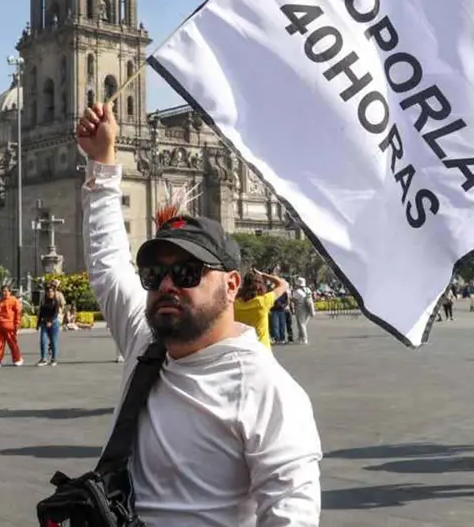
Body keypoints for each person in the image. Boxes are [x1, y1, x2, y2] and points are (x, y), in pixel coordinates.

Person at [76, 102, 321, 524]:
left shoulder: (267, 390)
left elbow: (291, 513)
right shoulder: (145, 343)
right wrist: (102, 160)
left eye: (188, 272)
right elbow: (108, 263)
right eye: (154, 274)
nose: (167, 285)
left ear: (232, 285)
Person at [234, 269, 288, 350]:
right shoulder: (263, 302)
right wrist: (264, 275)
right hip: (262, 348)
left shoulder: (235, 304)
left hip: (242, 347)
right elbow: (283, 284)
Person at [0, 285, 24, 368]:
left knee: (12, 344)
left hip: (10, 326)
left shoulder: (14, 301)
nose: (4, 293)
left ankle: (18, 359)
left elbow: (18, 313)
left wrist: (17, 324)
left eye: (5, 291)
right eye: (2, 291)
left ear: (10, 292)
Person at [36, 280, 65, 366]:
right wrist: (38, 323)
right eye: (48, 292)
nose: (50, 293)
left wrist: (51, 321)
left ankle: (53, 359)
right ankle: (43, 359)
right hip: (44, 322)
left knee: (53, 341)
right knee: (43, 340)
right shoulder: (43, 300)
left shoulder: (56, 299)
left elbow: (56, 312)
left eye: (51, 292)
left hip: (54, 322)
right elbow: (41, 312)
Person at [291, 277, 316, 344]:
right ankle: (300, 338)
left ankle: (304, 338)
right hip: (308, 307)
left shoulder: (297, 291)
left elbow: (294, 300)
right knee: (304, 324)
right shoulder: (308, 289)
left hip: (300, 308)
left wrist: (291, 299)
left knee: (301, 324)